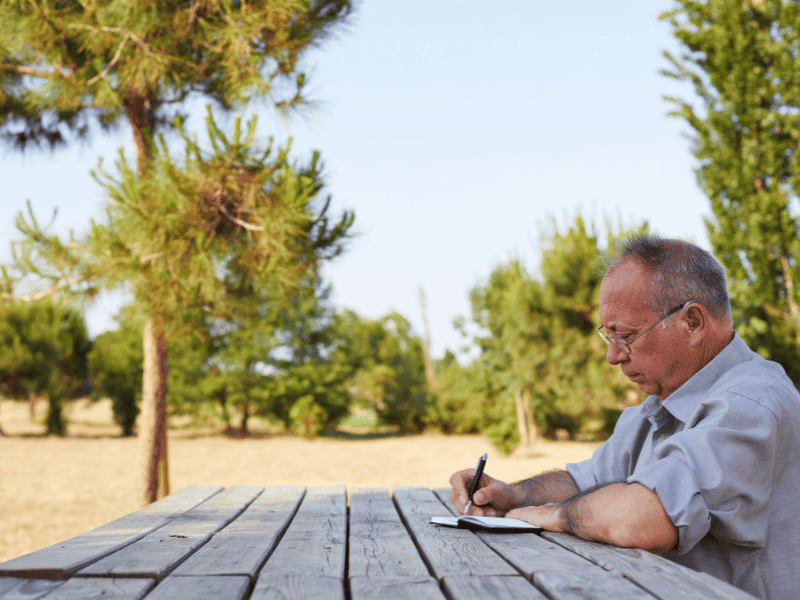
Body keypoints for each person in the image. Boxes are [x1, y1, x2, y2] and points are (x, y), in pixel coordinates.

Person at [449, 236, 800, 600]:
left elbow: (641, 518)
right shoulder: (658, 405)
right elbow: (588, 482)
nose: (612, 357)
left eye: (625, 336)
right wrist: (514, 495)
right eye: (608, 336)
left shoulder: (753, 403)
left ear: (693, 322)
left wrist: (552, 515)